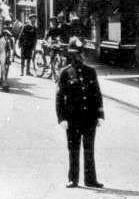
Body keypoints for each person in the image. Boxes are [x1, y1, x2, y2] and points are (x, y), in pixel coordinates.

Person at [55, 37, 104, 189]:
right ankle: (73, 179)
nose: (80, 56)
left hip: (89, 118)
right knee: (73, 149)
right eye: (76, 54)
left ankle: (90, 180)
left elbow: (97, 94)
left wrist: (100, 115)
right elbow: (59, 98)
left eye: (81, 53)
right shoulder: (65, 73)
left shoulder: (91, 72)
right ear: (71, 55)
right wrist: (61, 118)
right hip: (72, 118)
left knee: (89, 149)